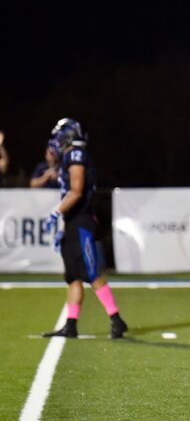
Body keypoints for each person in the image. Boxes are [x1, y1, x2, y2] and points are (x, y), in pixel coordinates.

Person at [42, 118, 128, 339]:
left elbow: (77, 190)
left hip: (82, 221)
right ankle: (71, 325)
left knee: (90, 272)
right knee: (72, 276)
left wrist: (56, 212)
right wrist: (63, 225)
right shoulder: (68, 156)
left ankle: (116, 320)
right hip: (73, 222)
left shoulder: (76, 155)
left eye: (61, 136)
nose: (57, 141)